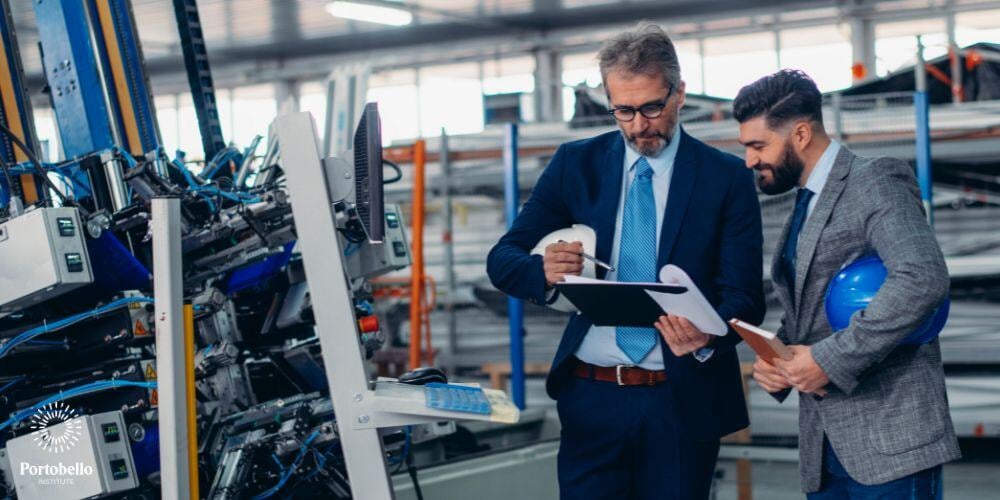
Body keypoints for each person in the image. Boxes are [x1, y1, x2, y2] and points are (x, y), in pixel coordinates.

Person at [487, 22, 765, 500]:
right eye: (623, 110)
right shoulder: (576, 164)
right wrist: (543, 270)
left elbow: (745, 298)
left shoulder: (726, 178)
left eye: (652, 107)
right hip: (591, 397)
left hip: (680, 400)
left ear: (679, 93)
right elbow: (503, 259)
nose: (639, 125)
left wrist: (708, 335)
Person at [735, 69, 961, 498]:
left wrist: (826, 360)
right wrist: (780, 358)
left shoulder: (874, 180)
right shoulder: (803, 203)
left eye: (758, 145)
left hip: (890, 439)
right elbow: (812, 307)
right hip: (824, 445)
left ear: (800, 133)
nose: (749, 160)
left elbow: (922, 278)